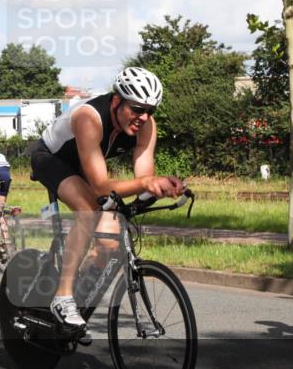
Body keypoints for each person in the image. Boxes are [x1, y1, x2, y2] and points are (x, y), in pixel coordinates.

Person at [31, 67, 185, 329]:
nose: (144, 117)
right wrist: (146, 183)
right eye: (137, 109)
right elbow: (102, 187)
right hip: (51, 159)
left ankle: (78, 286)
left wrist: (162, 188)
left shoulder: (146, 125)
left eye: (150, 110)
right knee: (88, 210)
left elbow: (144, 178)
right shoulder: (88, 118)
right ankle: (63, 297)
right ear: (116, 101)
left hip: (87, 165)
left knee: (109, 241)